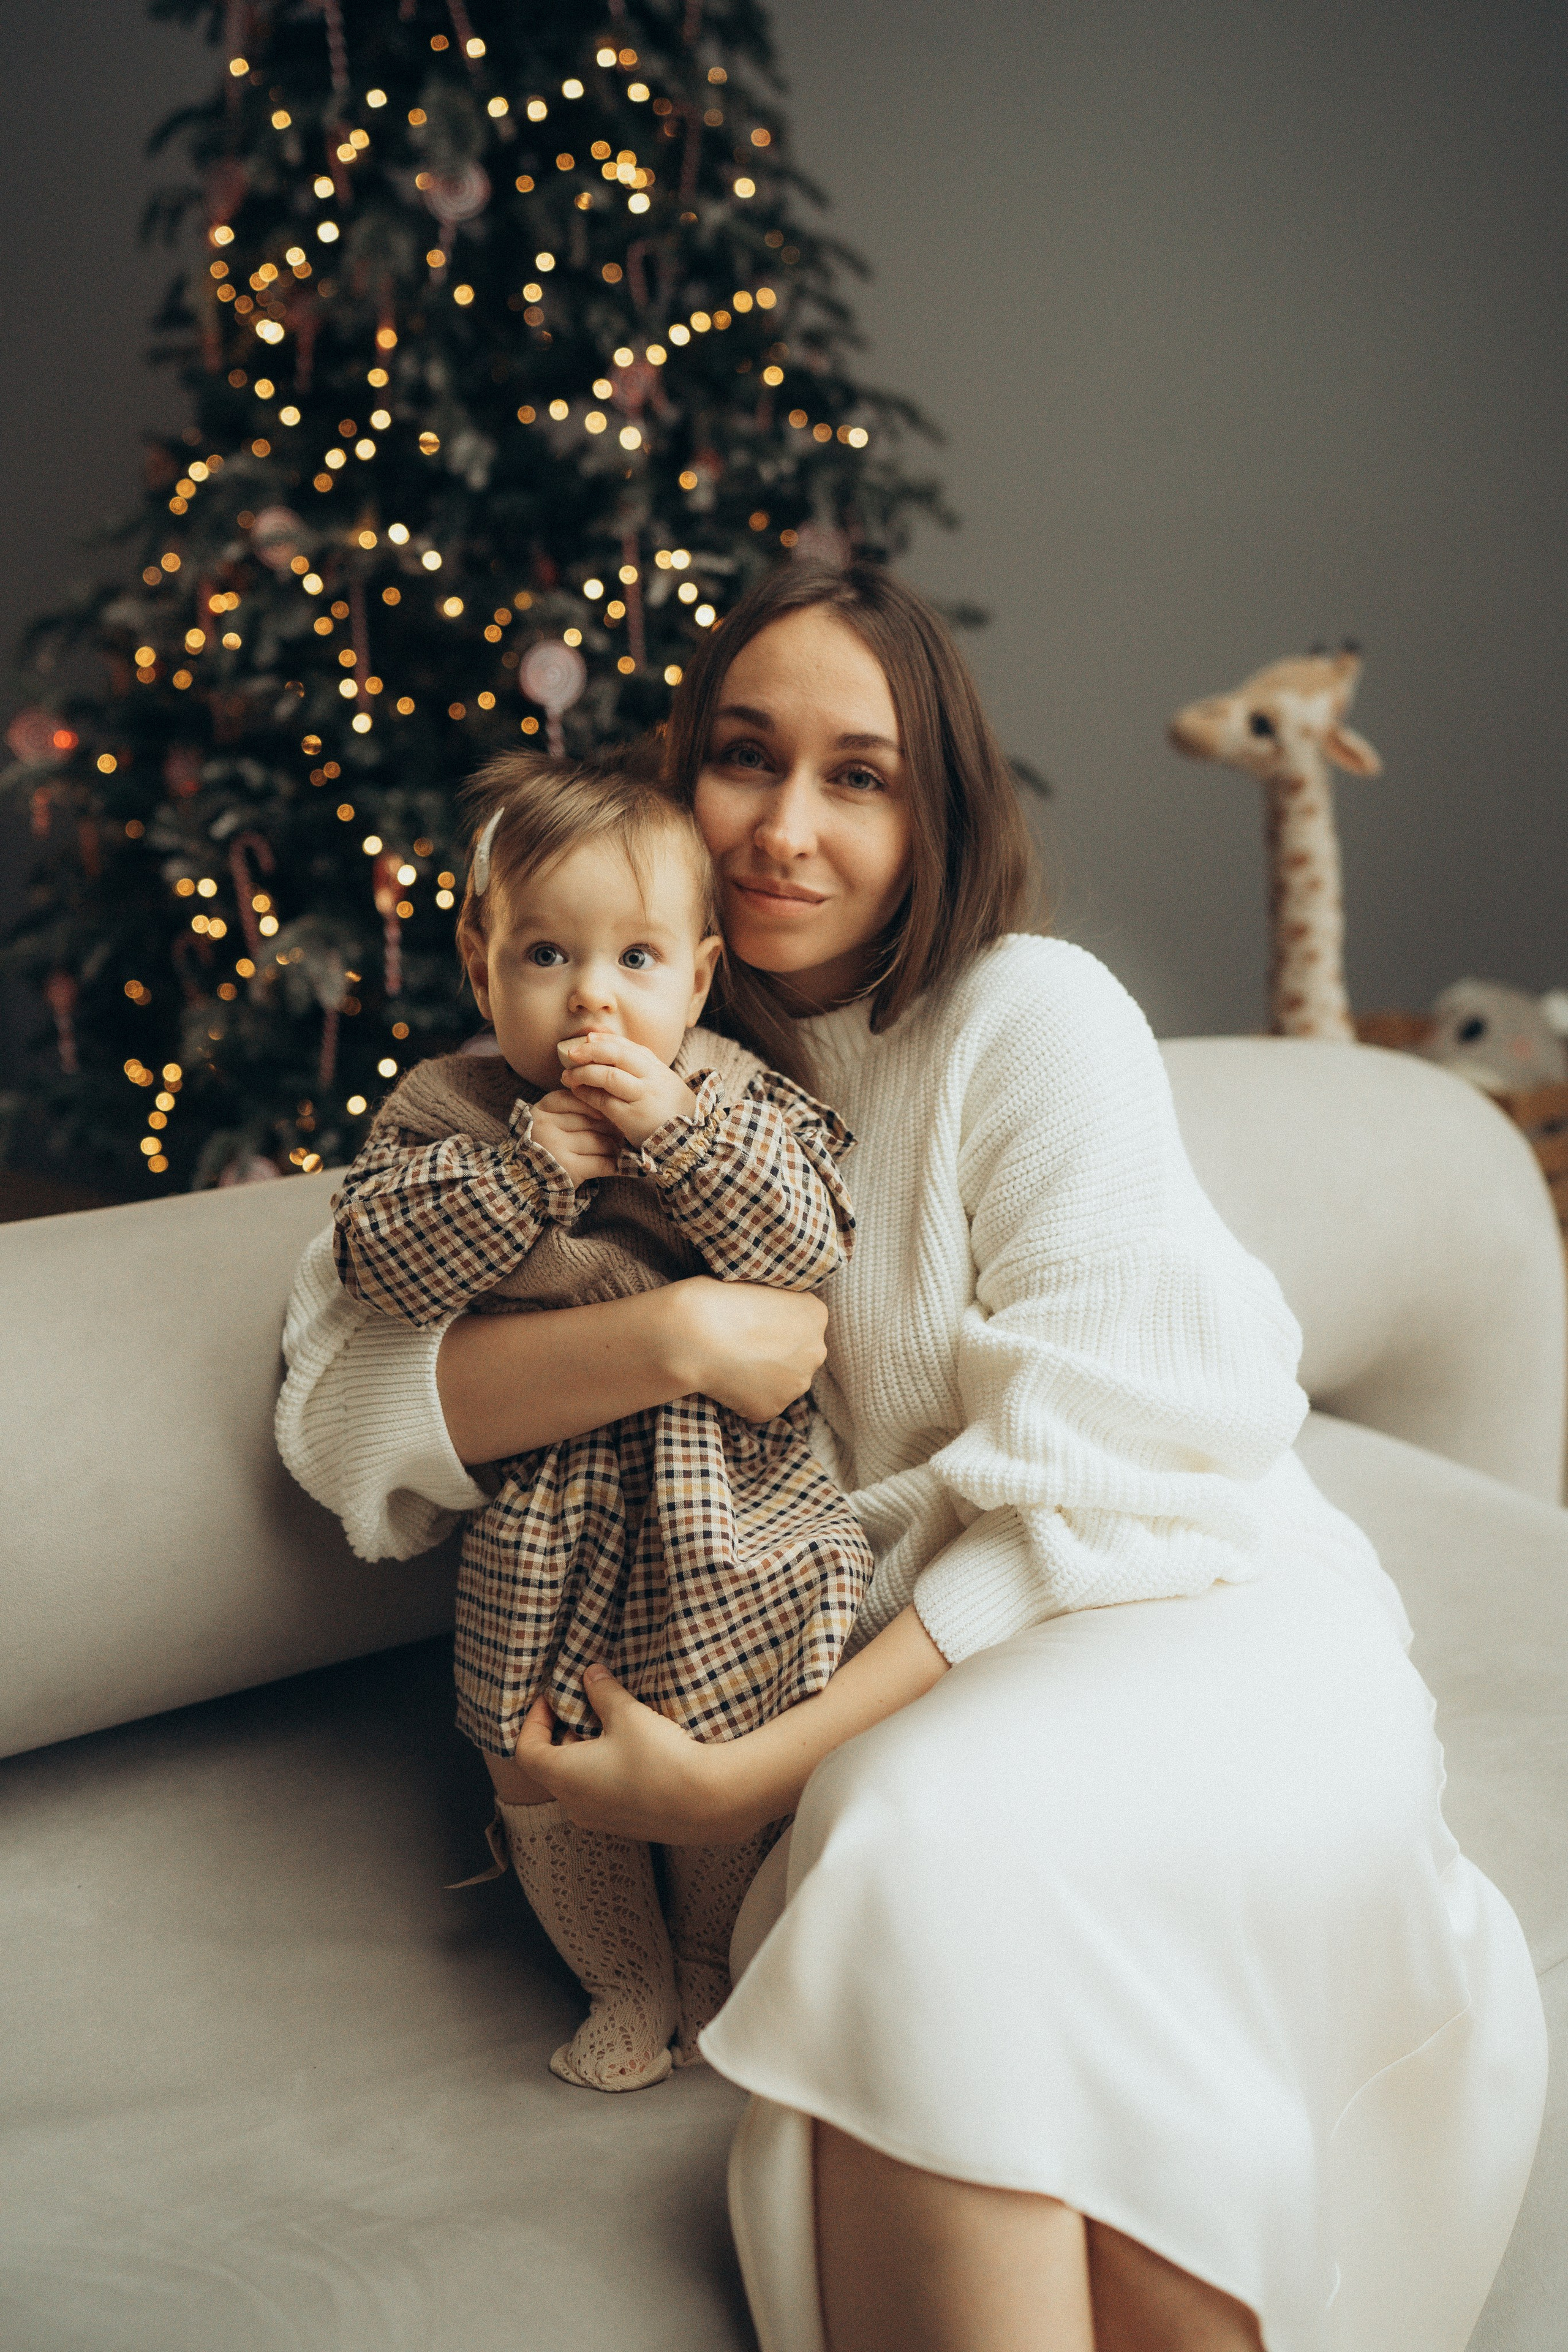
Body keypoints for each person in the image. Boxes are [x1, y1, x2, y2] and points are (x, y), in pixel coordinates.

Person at [278, 563, 1546, 2352]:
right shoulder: (587, 1041)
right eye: (744, 757)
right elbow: (342, 1414)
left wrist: (743, 1781)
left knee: (914, 1843)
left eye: (858, 776)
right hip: (922, 1692)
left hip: (1181, 1601)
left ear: (935, 809)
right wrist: (671, 1339)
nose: (788, 827)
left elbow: (1110, 1475)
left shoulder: (1034, 1019)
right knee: (931, 1882)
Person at [330, 747, 870, 2093]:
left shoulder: (735, 1096)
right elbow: (379, 1266)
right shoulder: (449, 1113)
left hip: (731, 1501)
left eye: (636, 961)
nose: (592, 1000)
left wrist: (677, 1129)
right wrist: (519, 1175)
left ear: (696, 978)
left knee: (728, 1737)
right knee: (534, 1752)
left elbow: (808, 1247)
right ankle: (621, 1978)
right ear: (481, 966)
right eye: (547, 957)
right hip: (549, 1518)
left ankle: (708, 1955)